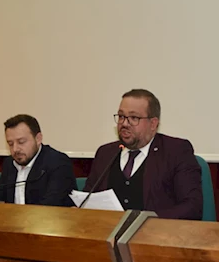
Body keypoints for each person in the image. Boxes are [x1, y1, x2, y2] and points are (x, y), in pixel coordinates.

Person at [84, 89, 202, 220]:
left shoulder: (176, 151)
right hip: (107, 229)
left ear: (153, 124)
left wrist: (149, 221)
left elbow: (192, 206)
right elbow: (87, 199)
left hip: (156, 231)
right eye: (121, 116)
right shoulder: (105, 153)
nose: (124, 123)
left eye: (134, 118)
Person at [0, 114, 75, 207]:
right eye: (10, 144)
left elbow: (51, 206)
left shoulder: (58, 163)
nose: (15, 149)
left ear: (38, 139)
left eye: (21, 142)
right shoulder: (10, 163)